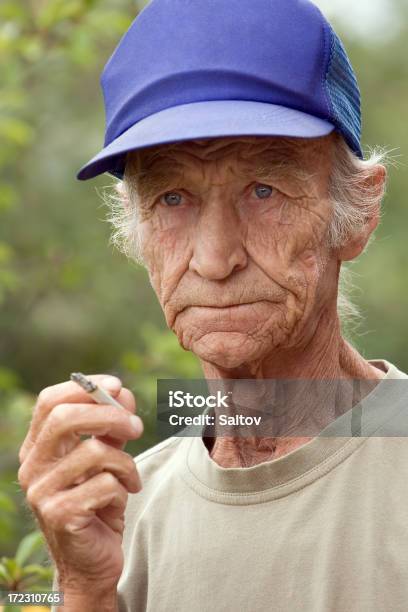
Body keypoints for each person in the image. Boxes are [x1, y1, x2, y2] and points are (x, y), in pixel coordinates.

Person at [18, 1, 408, 611]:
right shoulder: (117, 509)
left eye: (263, 190)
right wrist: (84, 591)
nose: (214, 258)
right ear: (137, 235)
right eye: (173, 198)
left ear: (357, 215)